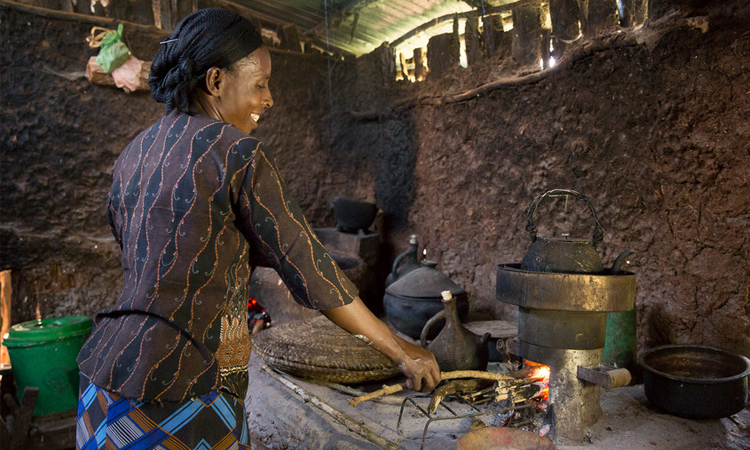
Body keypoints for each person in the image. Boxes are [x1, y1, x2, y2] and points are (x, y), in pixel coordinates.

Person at [75, 7, 440, 449]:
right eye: (261, 84)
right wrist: (402, 350)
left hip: (100, 388)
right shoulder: (237, 152)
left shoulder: (134, 153)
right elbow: (312, 270)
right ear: (215, 82)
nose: (269, 99)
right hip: (182, 391)